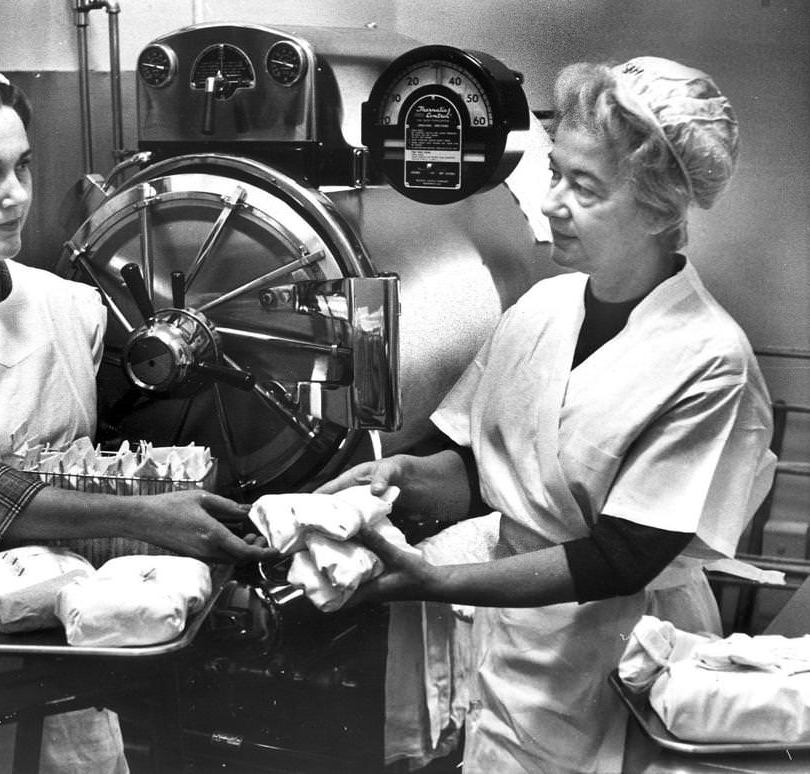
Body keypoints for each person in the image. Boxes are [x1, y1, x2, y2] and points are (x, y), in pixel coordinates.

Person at [317, 56, 775, 774]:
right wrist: (401, 477)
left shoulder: (709, 359)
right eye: (555, 173)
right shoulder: (543, 307)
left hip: (623, 656)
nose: (553, 201)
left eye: (583, 186)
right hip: (513, 655)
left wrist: (433, 583)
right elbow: (476, 468)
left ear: (658, 207)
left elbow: (619, 559)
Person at [0, 66, 277, 774]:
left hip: (61, 618)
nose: (16, 197)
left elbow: (124, 455)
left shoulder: (67, 305)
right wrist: (147, 519)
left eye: (24, 167)